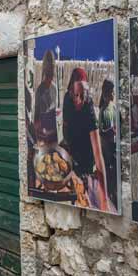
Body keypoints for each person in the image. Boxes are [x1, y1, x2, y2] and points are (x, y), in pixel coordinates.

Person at [62, 67, 111, 211]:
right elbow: (65, 126)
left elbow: (97, 153)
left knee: (86, 196)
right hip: (71, 152)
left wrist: (104, 197)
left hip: (86, 155)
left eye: (82, 96)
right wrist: (66, 145)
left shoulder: (88, 107)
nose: (78, 100)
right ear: (71, 90)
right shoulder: (67, 99)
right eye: (75, 95)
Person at [98, 79, 119, 206]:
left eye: (113, 92)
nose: (112, 95)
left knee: (113, 169)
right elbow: (100, 130)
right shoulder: (102, 110)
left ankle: (112, 191)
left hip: (113, 143)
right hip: (106, 144)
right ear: (105, 95)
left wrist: (115, 129)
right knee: (107, 168)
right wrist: (109, 131)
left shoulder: (114, 107)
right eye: (110, 93)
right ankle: (107, 193)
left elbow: (116, 123)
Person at [33, 50, 58, 145]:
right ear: (44, 71)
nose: (50, 78)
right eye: (48, 74)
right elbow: (36, 115)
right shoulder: (40, 90)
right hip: (42, 132)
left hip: (52, 131)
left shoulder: (54, 88)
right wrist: (38, 130)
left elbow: (55, 111)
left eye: (51, 74)